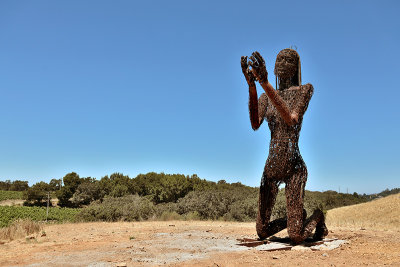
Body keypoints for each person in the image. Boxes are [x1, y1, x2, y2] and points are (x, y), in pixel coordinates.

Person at [241, 49, 328, 244]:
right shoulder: (266, 97)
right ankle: (296, 218)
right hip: (271, 167)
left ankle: (317, 216)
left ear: (296, 66)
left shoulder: (304, 90)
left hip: (293, 168)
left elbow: (291, 119)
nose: (282, 63)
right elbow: (255, 124)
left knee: (296, 236)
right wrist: (252, 87)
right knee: (262, 231)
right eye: (279, 59)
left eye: (288, 60)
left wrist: (264, 83)